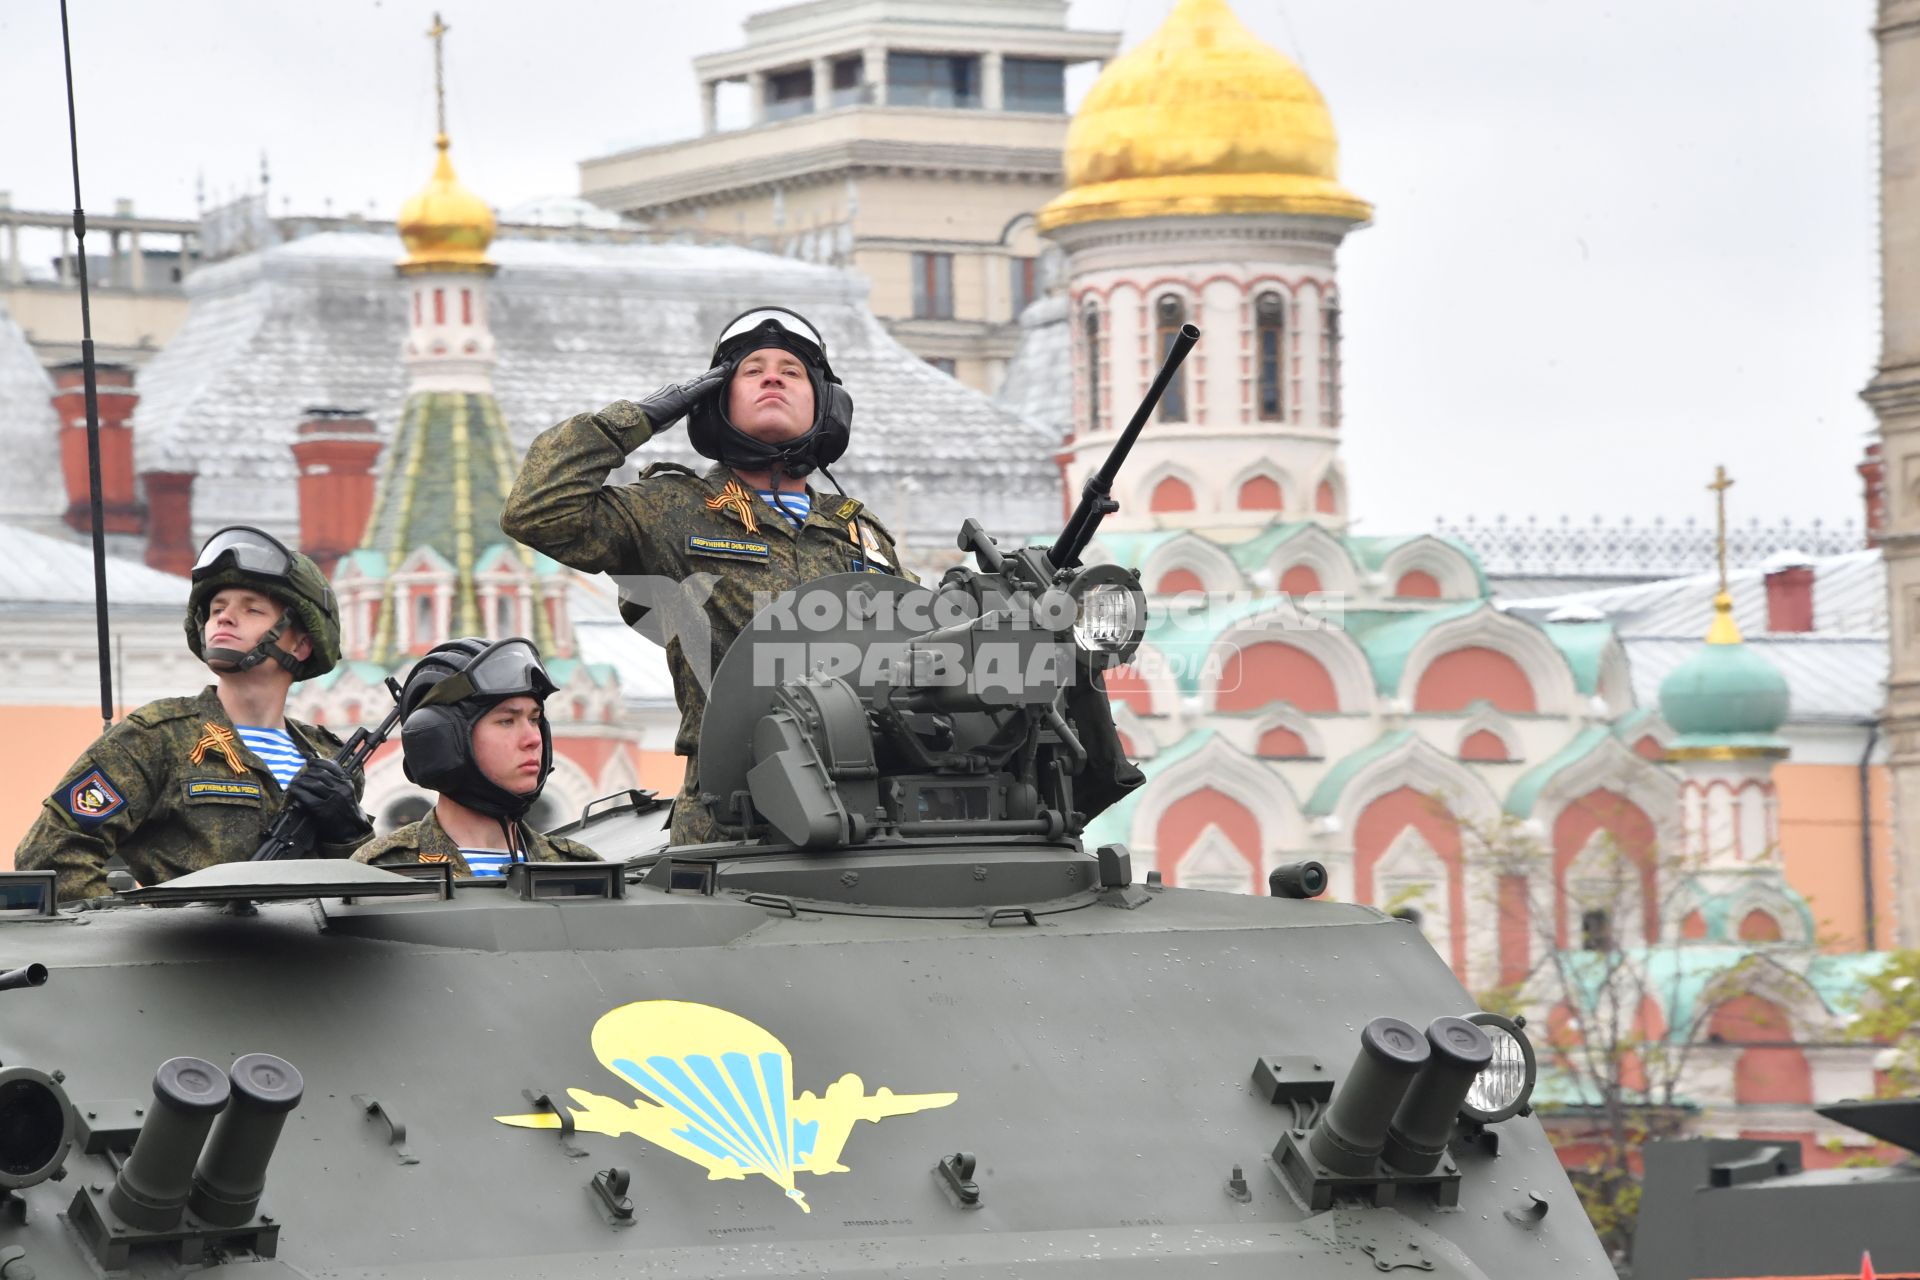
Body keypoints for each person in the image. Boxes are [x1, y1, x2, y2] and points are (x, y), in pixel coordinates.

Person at [501, 306, 915, 844]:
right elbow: (537, 512)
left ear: (826, 405)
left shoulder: (859, 531)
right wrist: (646, 415)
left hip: (874, 806)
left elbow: (915, 649)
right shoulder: (673, 510)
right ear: (715, 400)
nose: (772, 377)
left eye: (791, 372)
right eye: (751, 371)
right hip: (734, 815)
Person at [16, 526, 372, 902]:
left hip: (316, 958)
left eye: (251, 609)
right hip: (188, 959)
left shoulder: (330, 759)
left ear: (300, 643)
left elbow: (362, 898)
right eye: (217, 609)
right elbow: (50, 856)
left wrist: (351, 834)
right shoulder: (155, 739)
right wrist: (144, 936)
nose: (225, 618)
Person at [352, 637, 601, 874]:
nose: (533, 740)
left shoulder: (581, 870)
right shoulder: (384, 873)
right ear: (443, 741)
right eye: (506, 721)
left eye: (534, 720)